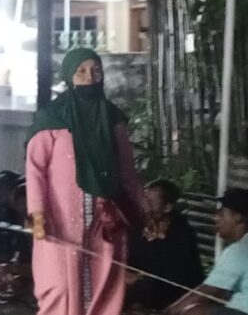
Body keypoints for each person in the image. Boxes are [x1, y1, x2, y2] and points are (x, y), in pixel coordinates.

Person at [26, 48, 142, 315]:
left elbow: (127, 170)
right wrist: (37, 213)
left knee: (104, 284)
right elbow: (35, 169)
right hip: (58, 220)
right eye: (81, 71)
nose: (89, 77)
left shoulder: (112, 118)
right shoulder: (52, 117)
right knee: (59, 285)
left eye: (95, 71)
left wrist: (139, 209)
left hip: (105, 219)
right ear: (69, 75)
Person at [166, 188, 248, 315]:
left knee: (196, 312)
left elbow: (207, 292)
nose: (216, 219)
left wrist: (167, 312)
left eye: (221, 214)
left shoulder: (239, 251)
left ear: (237, 218)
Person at [126, 179, 204, 310]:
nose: (145, 207)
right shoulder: (139, 228)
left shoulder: (182, 233)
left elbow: (178, 275)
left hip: (175, 293)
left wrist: (140, 279)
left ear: (167, 207)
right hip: (143, 286)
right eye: (145, 200)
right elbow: (130, 260)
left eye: (151, 203)